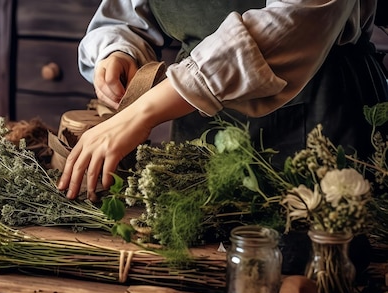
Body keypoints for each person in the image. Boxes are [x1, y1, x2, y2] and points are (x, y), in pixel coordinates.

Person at [56, 0, 388, 201]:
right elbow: (123, 15)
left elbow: (295, 20)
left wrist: (140, 114)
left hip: (322, 111)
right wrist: (118, 48)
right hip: (199, 122)